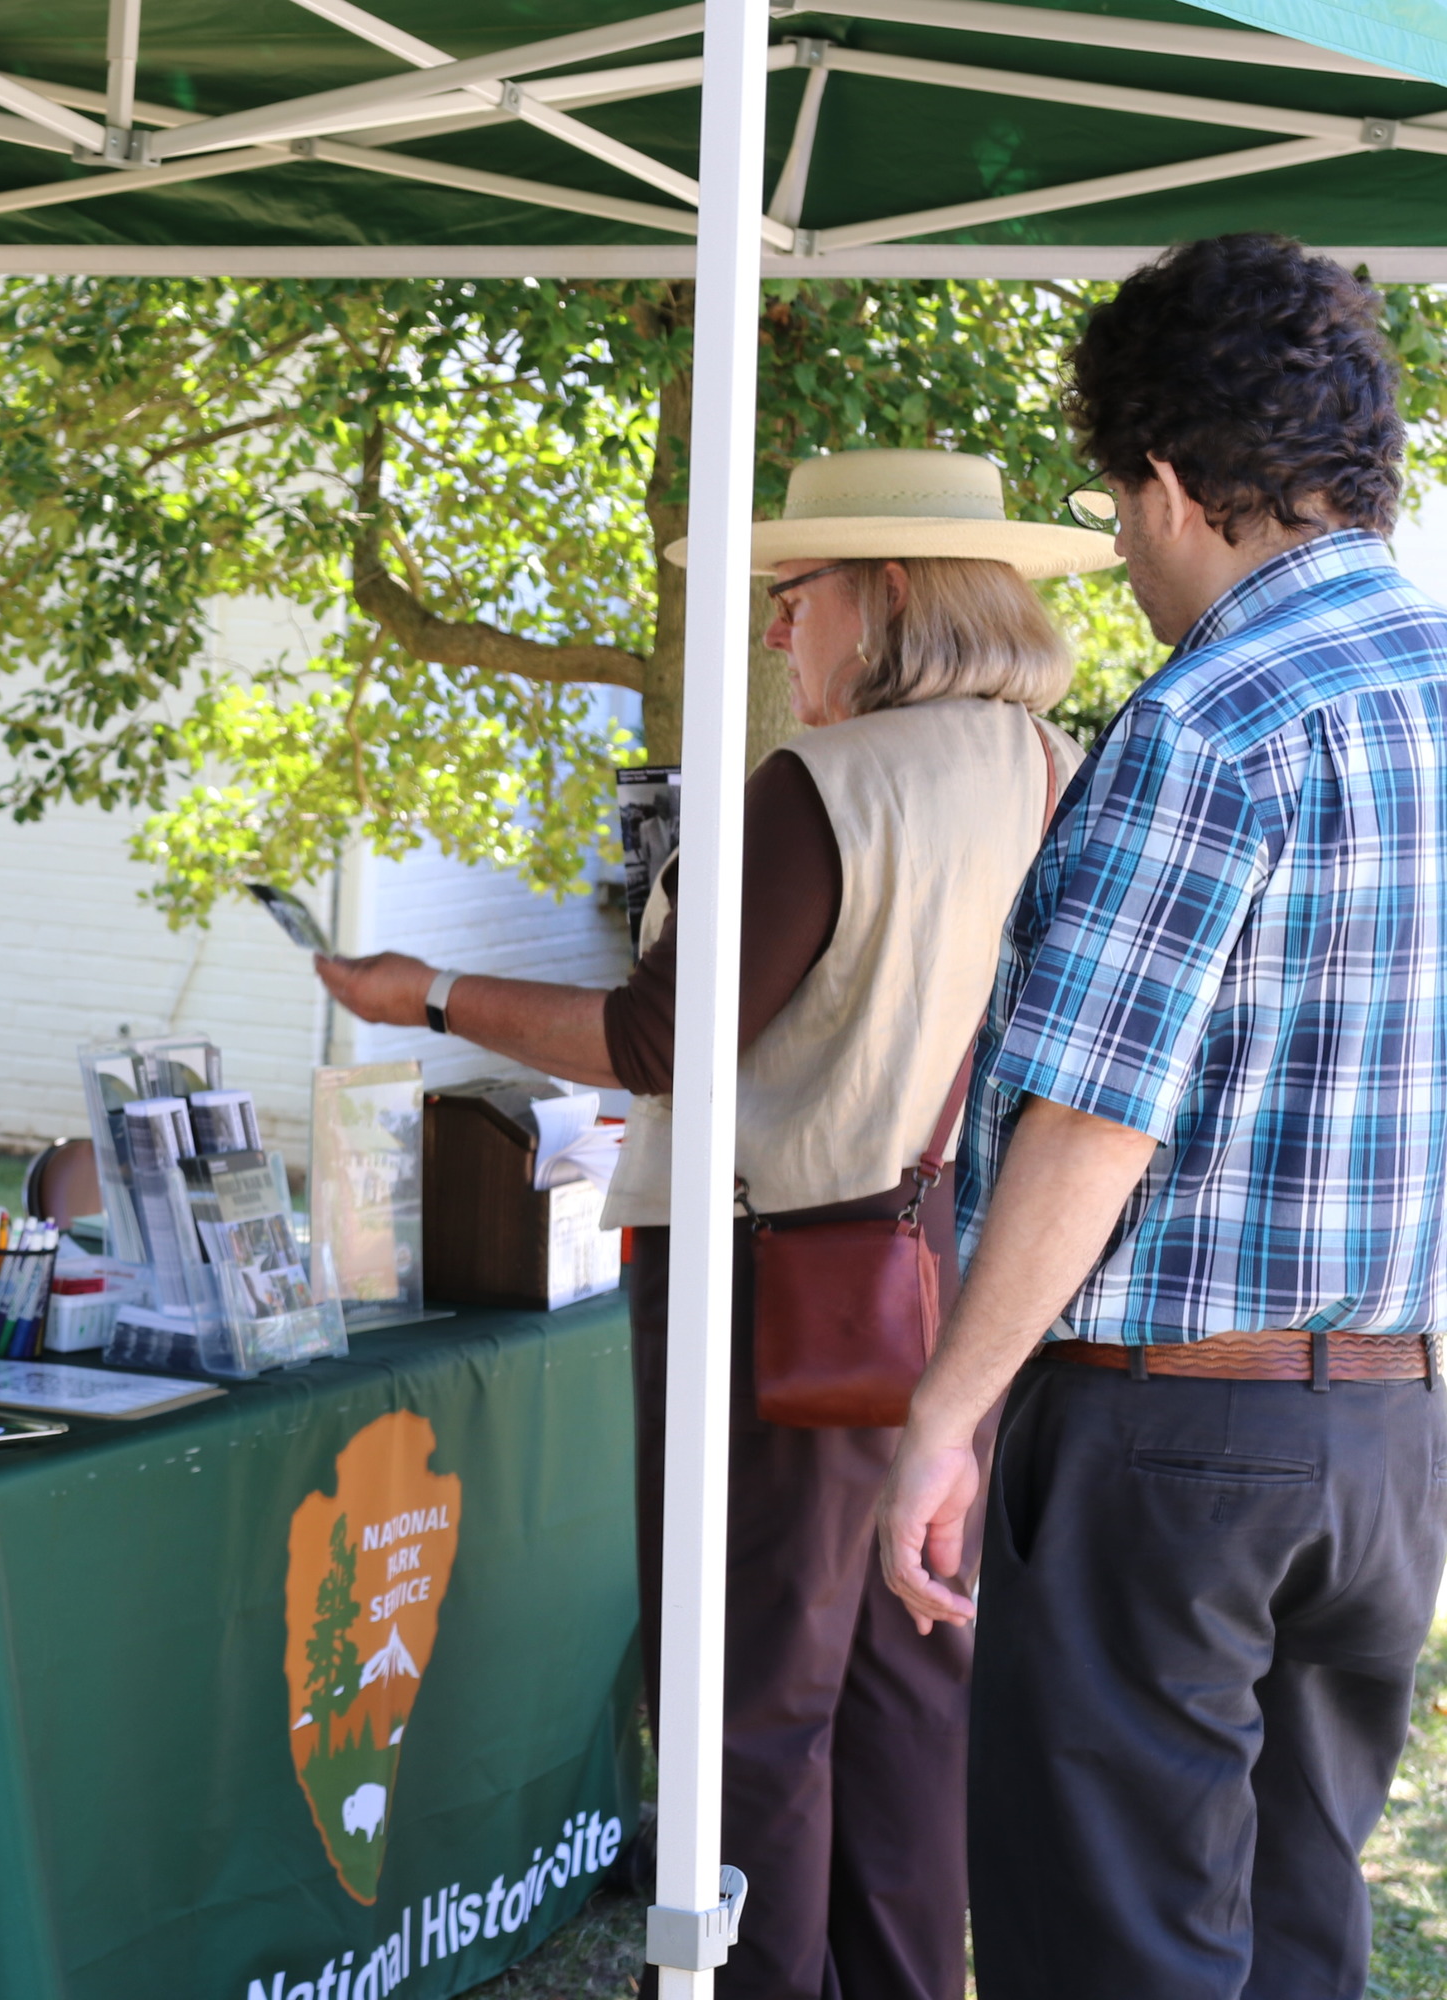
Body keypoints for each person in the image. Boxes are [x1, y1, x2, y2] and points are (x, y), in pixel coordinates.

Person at [319, 447, 1102, 2000]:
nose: (772, 635)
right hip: (960, 1268)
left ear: (884, 598)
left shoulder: (828, 786)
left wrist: (433, 995)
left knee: (750, 1693)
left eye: (790, 599)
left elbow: (659, 1042)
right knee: (904, 1683)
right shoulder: (1054, 767)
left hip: (781, 1285)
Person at [875, 237, 1447, 1999]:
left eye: (1120, 508)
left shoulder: (1210, 721)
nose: (1122, 554)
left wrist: (941, 1421)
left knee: (1110, 1948)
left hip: (1173, 1439)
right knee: (1294, 1934)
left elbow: (1090, 1124)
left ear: (1179, 482)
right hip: (1393, 1432)